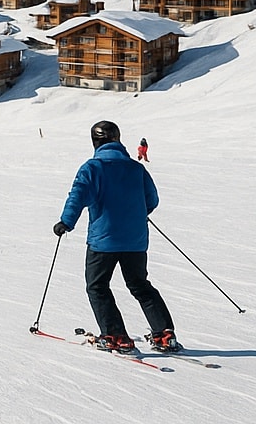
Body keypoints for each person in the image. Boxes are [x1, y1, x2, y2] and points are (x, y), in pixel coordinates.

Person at [54, 120, 180, 353]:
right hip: (136, 240)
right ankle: (164, 335)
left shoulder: (92, 168)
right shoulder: (136, 168)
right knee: (140, 285)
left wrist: (65, 222)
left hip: (104, 242)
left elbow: (77, 196)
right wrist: (133, 214)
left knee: (97, 287)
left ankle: (115, 336)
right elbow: (151, 200)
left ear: (96, 142)